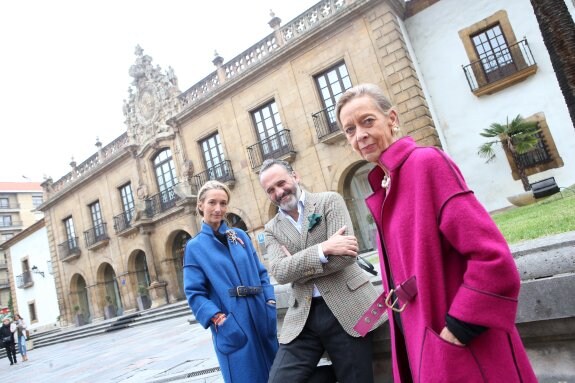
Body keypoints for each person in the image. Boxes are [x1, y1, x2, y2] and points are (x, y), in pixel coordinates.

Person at [335, 83, 537, 383]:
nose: (359, 135)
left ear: (391, 118)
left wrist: (459, 329)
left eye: (367, 121)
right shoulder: (387, 183)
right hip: (421, 339)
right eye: (349, 130)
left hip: (461, 346)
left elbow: (492, 259)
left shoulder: (426, 163)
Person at [259, 159, 385, 383]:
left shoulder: (329, 201)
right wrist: (324, 248)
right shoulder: (271, 229)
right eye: (271, 190)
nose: (279, 192)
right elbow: (279, 272)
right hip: (303, 316)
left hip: (348, 306)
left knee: (356, 378)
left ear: (295, 176)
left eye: (281, 183)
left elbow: (345, 256)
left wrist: (297, 266)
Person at [183, 180, 278, 383]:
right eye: (212, 202)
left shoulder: (241, 236)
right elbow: (194, 293)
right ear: (200, 205)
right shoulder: (195, 247)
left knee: (279, 376)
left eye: (223, 203)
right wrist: (218, 319)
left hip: (261, 317)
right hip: (232, 324)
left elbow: (262, 273)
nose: (218, 209)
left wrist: (269, 302)